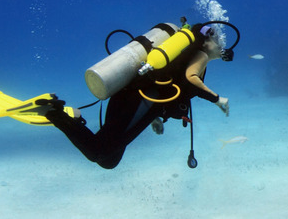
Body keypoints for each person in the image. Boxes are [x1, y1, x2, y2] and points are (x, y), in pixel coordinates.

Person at [40, 23, 233, 169]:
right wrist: (217, 99)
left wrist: (154, 117)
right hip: (142, 99)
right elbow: (190, 79)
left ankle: (72, 120)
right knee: (100, 151)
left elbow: (166, 82)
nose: (221, 45)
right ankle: (53, 112)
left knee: (109, 160)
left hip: (132, 94)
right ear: (206, 42)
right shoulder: (201, 55)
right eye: (218, 41)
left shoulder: (187, 55)